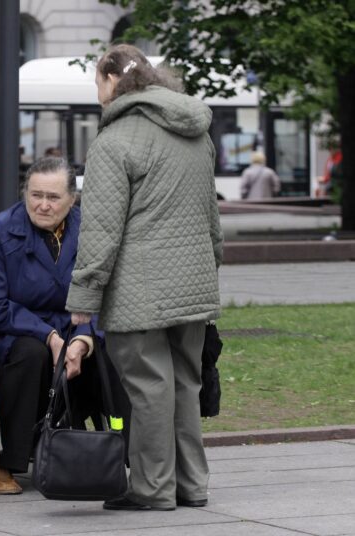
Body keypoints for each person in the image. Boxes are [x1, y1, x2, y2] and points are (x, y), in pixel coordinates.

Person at [66, 44, 222, 511]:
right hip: (193, 281)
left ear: (113, 80)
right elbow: (212, 216)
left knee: (150, 389)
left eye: (97, 83)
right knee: (185, 384)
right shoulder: (197, 132)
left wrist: (84, 297)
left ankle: (153, 488)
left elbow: (100, 230)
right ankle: (191, 485)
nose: (97, 95)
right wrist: (212, 266)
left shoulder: (115, 141)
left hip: (139, 291)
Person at [0, 156, 95, 495]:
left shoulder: (90, 230)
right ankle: (1, 463)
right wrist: (49, 336)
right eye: (35, 195)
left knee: (118, 353)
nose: (43, 205)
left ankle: (120, 450)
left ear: (72, 199)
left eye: (53, 197)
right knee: (31, 355)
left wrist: (83, 339)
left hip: (78, 326)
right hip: (17, 332)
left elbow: (108, 292)